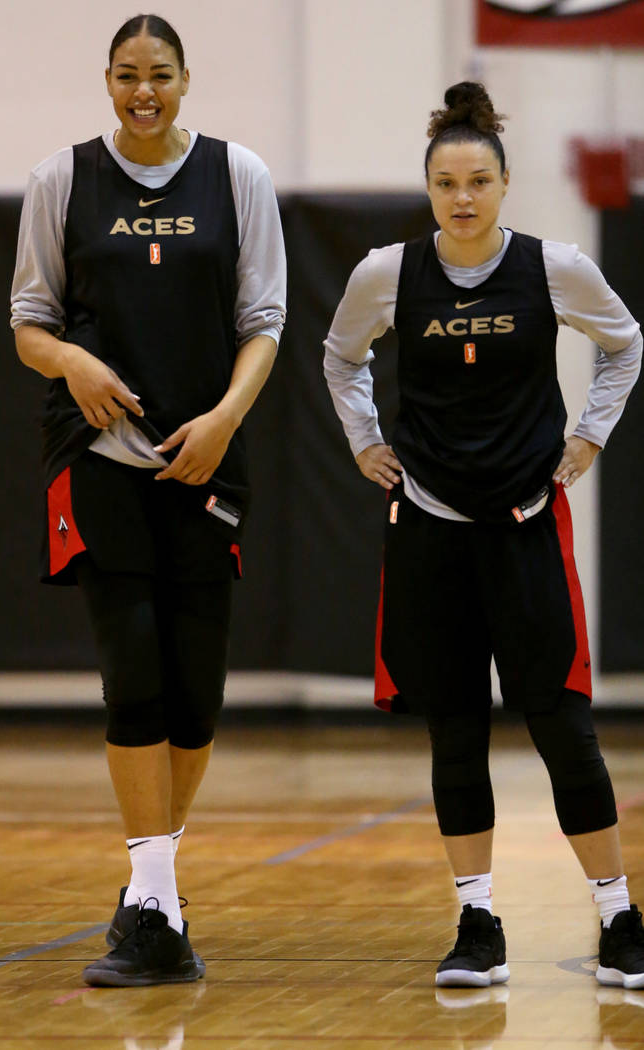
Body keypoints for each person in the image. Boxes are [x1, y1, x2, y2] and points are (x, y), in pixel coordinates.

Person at [324, 81, 644, 989]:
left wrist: (588, 434)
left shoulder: (555, 266)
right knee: (454, 730)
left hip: (525, 525)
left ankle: (620, 919)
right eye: (445, 183)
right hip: (430, 529)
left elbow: (625, 343)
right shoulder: (387, 273)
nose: (461, 197)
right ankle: (476, 920)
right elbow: (340, 356)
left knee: (563, 726)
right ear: (428, 190)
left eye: (478, 181)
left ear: (504, 184)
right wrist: (365, 441)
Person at [11, 13, 285, 987]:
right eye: (126, 74)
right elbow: (27, 322)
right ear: (106, 80)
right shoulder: (61, 180)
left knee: (194, 694)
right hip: (100, 461)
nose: (142, 91)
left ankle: (148, 896)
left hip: (205, 462)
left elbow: (264, 323)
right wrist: (73, 360)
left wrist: (221, 421)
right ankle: (156, 906)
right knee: (132, 672)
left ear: (183, 80)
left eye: (158, 75)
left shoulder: (237, 176)